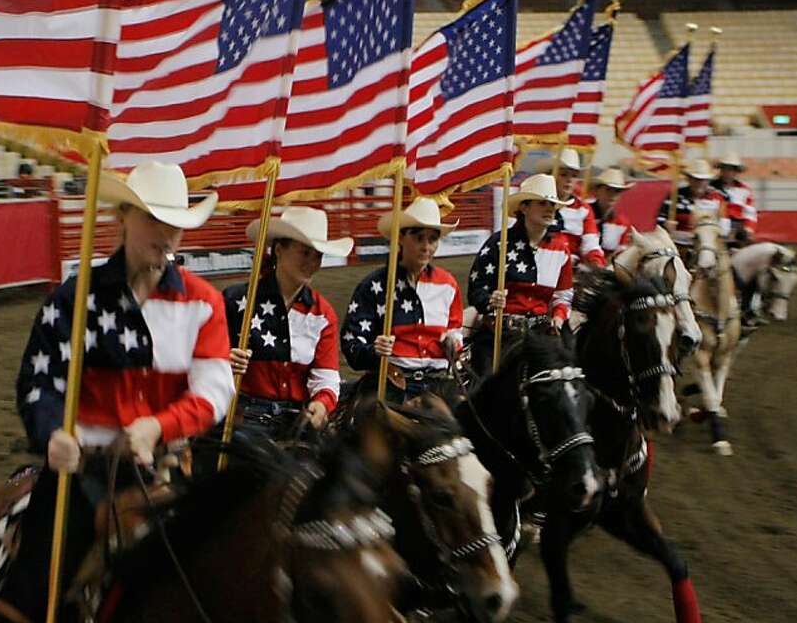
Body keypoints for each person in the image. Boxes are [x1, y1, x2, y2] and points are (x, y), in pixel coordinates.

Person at [0, 160, 233, 623]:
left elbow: (216, 388)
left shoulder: (203, 302)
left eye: (175, 223)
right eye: (154, 219)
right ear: (122, 217)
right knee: (25, 601)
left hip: (164, 473)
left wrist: (160, 426)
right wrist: (52, 433)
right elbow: (38, 379)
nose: (167, 235)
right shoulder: (72, 298)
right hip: (83, 475)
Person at [224, 206, 351, 438]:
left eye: (318, 256)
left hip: (296, 420)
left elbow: (327, 378)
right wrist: (224, 361)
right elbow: (205, 360)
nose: (312, 262)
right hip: (244, 416)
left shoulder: (323, 314)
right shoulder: (236, 301)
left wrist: (322, 403)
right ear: (279, 250)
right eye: (305, 253)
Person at [341, 197, 464, 403]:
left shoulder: (448, 285)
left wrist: (453, 343)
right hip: (392, 382)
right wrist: (373, 351)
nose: (426, 247)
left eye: (432, 240)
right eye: (419, 238)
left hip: (439, 384)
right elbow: (351, 342)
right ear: (400, 237)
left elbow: (455, 330)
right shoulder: (373, 286)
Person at [467, 173, 573, 375]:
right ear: (524, 207)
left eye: (552, 205)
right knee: (486, 385)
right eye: (542, 203)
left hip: (541, 336)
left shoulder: (562, 250)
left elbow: (563, 296)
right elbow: (476, 289)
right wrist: (490, 300)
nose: (550, 209)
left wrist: (558, 317)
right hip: (499, 335)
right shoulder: (498, 243)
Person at [550, 148, 607, 268]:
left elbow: (590, 243)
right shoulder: (539, 203)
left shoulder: (583, 209)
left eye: (574, 176)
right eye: (563, 175)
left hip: (573, 269)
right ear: (551, 175)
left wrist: (596, 263)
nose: (569, 180)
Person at [657, 159, 728, 249]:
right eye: (696, 179)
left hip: (708, 244)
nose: (699, 183)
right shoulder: (675, 196)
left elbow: (724, 224)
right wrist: (666, 223)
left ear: (708, 181)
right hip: (680, 243)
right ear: (689, 179)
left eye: (703, 180)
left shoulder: (717, 197)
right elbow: (660, 218)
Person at [712, 151, 758, 247]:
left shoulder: (744, 190)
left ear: (736, 172)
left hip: (737, 231)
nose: (727, 173)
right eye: (724, 169)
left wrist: (748, 229)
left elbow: (750, 213)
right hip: (714, 227)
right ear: (720, 170)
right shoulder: (710, 188)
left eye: (731, 170)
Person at [588, 167, 635, 259]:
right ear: (597, 191)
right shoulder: (583, 212)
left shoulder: (622, 223)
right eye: (608, 190)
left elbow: (622, 250)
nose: (612, 195)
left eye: (617, 191)